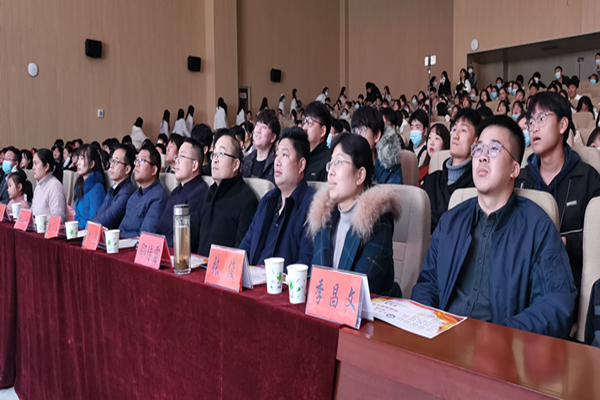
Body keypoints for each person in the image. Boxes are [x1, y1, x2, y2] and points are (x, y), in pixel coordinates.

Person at [411, 115, 577, 338]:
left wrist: (502, 336)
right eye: (478, 149)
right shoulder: (450, 221)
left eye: (494, 149)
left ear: (514, 169)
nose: (482, 157)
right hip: (442, 341)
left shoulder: (538, 228)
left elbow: (555, 305)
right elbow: (427, 284)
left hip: (503, 348)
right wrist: (424, 324)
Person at [516, 92, 600, 292]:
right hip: (523, 283)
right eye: (530, 122)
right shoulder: (520, 180)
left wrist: (566, 243)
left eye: (542, 118)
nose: (534, 127)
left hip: (570, 283)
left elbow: (596, 236)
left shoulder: (588, 178)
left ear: (563, 125)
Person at [307, 133, 401, 296]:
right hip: (330, 305)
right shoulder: (325, 216)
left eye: (339, 162)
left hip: (368, 308)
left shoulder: (376, 220)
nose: (330, 172)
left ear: (360, 175)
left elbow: (358, 290)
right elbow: (317, 278)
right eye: (331, 163)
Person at [239, 128, 315, 270]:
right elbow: (246, 245)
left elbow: (307, 261)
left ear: (301, 165)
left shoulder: (312, 207)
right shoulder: (267, 201)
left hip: (283, 282)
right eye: (277, 154)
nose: (277, 162)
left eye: (284, 155)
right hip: (254, 279)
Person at [192, 132, 258, 256]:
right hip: (198, 265)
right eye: (214, 154)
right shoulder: (207, 194)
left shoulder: (247, 200)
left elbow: (241, 251)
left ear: (236, 164)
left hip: (224, 266)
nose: (215, 160)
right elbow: (193, 238)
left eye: (221, 154)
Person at [421, 108, 481, 233]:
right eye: (454, 129)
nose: (455, 135)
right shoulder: (432, 180)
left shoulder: (477, 185)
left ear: (476, 141)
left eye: (463, 130)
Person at [155, 138, 208, 247]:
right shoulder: (175, 191)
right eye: (177, 156)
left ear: (194, 165)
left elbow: (185, 239)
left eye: (182, 156)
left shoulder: (200, 193)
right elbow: (159, 228)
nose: (177, 161)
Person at [119, 144, 168, 238]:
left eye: (142, 160)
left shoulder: (158, 197)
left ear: (154, 170)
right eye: (136, 160)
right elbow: (121, 229)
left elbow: (146, 235)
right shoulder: (134, 196)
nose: (137, 164)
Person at [351, 106, 403, 184]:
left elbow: (394, 191)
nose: (358, 135)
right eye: (355, 130)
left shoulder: (390, 168)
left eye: (363, 129)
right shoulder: (349, 163)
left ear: (376, 136)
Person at [92, 145, 136, 229]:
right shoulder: (113, 189)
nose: (111, 165)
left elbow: (107, 220)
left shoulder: (126, 192)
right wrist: (93, 222)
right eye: (112, 161)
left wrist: (92, 223)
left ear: (127, 169)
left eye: (116, 162)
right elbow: (98, 213)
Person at [240, 109, 279, 183]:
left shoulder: (277, 165)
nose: (258, 130)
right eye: (257, 125)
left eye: (264, 127)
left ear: (273, 137)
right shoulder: (245, 162)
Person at [73, 145, 106, 229]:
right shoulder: (80, 185)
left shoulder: (97, 189)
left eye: (82, 158)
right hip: (78, 230)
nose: (78, 163)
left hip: (86, 232)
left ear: (92, 164)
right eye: (78, 158)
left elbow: (94, 222)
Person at [31, 149, 67, 223]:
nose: (33, 168)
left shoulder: (55, 186)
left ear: (46, 167)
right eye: (33, 164)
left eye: (36, 163)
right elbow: (32, 212)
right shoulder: (38, 186)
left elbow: (58, 217)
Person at [302, 101, 331, 181]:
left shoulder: (329, 161)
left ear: (322, 131)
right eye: (304, 122)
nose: (304, 128)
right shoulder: (299, 156)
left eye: (310, 122)